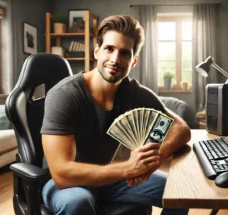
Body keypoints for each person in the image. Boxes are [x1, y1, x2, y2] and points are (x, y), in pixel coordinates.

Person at [41, 15, 191, 215]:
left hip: (112, 179)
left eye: (125, 53)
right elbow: (62, 174)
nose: (115, 60)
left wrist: (150, 162)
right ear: (97, 51)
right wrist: (128, 169)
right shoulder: (66, 95)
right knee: (79, 202)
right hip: (67, 185)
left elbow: (181, 129)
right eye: (109, 49)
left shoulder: (134, 93)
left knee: (179, 192)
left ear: (134, 61)